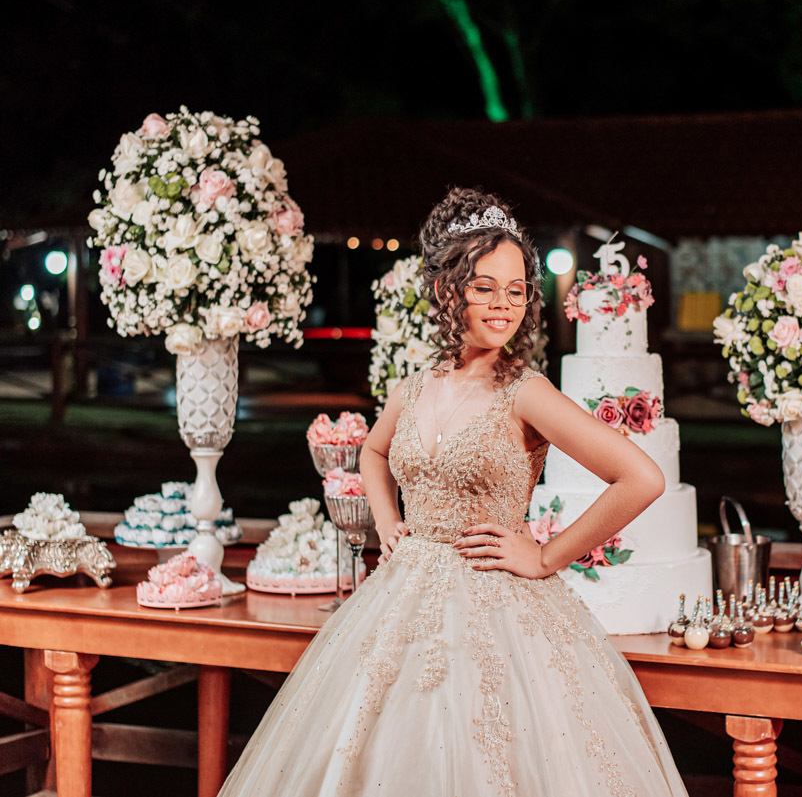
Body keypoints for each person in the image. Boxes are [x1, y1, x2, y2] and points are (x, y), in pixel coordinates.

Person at [217, 187, 690, 796]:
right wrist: (386, 521)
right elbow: (373, 452)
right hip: (400, 601)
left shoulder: (526, 391)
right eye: (485, 287)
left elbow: (642, 478)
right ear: (447, 290)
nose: (504, 305)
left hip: (498, 611)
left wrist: (545, 556)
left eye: (517, 290)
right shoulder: (415, 386)